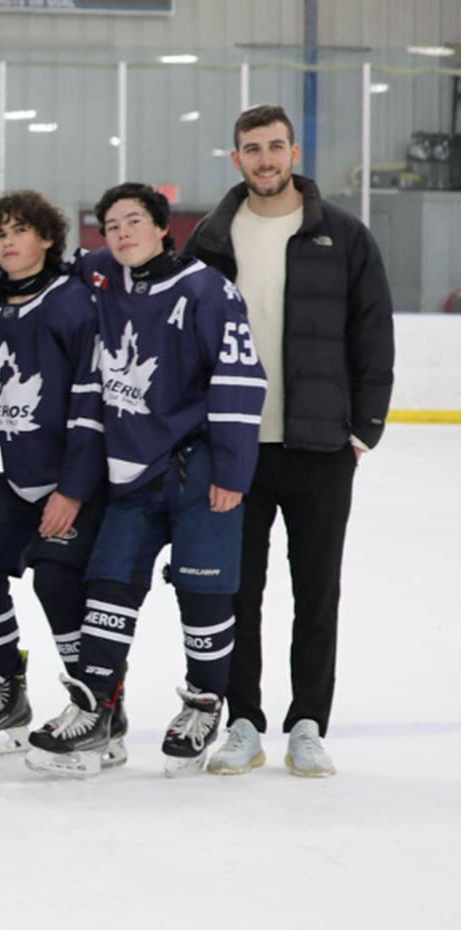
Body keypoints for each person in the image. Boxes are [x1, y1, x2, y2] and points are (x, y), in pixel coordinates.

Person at [26, 182, 266, 778]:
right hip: (130, 471)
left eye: (134, 221)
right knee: (107, 586)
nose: (122, 233)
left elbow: (240, 379)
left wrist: (233, 469)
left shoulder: (206, 288)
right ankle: (96, 707)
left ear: (163, 227)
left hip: (198, 467)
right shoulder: (105, 280)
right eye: (110, 226)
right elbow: (46, 260)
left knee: (203, 590)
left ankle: (205, 703)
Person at [185, 105, 394, 779]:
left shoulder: (343, 235)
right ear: (235, 158)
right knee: (238, 592)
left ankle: (307, 722)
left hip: (320, 448)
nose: (265, 159)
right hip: (236, 451)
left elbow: (372, 338)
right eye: (252, 148)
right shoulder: (212, 241)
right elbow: (180, 343)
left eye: (276, 146)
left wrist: (363, 429)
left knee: (317, 592)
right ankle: (242, 720)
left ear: (293, 151)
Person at [0, 189, 110, 761]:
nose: (8, 241)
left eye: (20, 231)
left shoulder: (74, 301)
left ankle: (94, 707)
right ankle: (4, 689)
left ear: (46, 239)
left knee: (57, 582)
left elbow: (95, 406)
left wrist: (72, 489)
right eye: (0, 234)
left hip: (76, 481)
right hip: (20, 479)